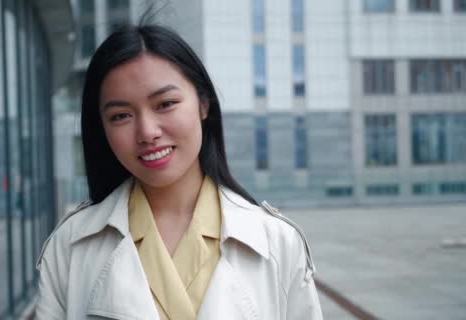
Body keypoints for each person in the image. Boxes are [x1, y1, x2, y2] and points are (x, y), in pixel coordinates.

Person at [35, 21, 323, 320]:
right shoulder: (69, 246)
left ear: (203, 104)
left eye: (166, 104)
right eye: (121, 115)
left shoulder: (277, 242)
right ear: (101, 128)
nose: (147, 132)